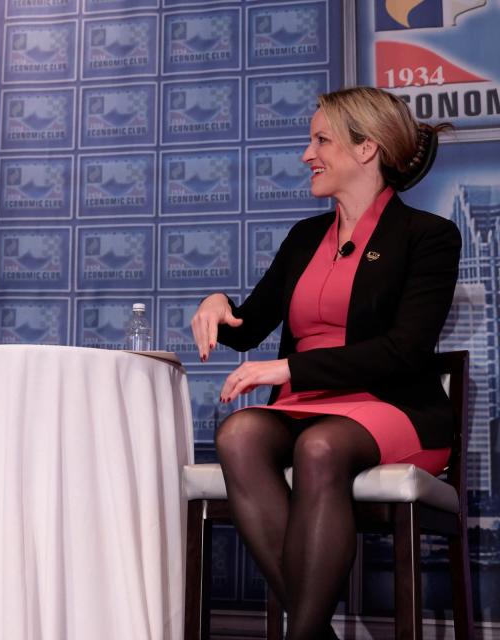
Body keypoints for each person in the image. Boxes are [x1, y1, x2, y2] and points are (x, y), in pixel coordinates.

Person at [190, 87, 460, 639]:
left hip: (393, 406)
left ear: (366, 149)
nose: (306, 154)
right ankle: (315, 636)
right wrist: (219, 304)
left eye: (321, 140)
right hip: (309, 405)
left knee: (321, 446)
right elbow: (249, 326)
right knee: (239, 434)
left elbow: (404, 351)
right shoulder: (305, 236)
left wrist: (290, 371)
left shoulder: (428, 238)